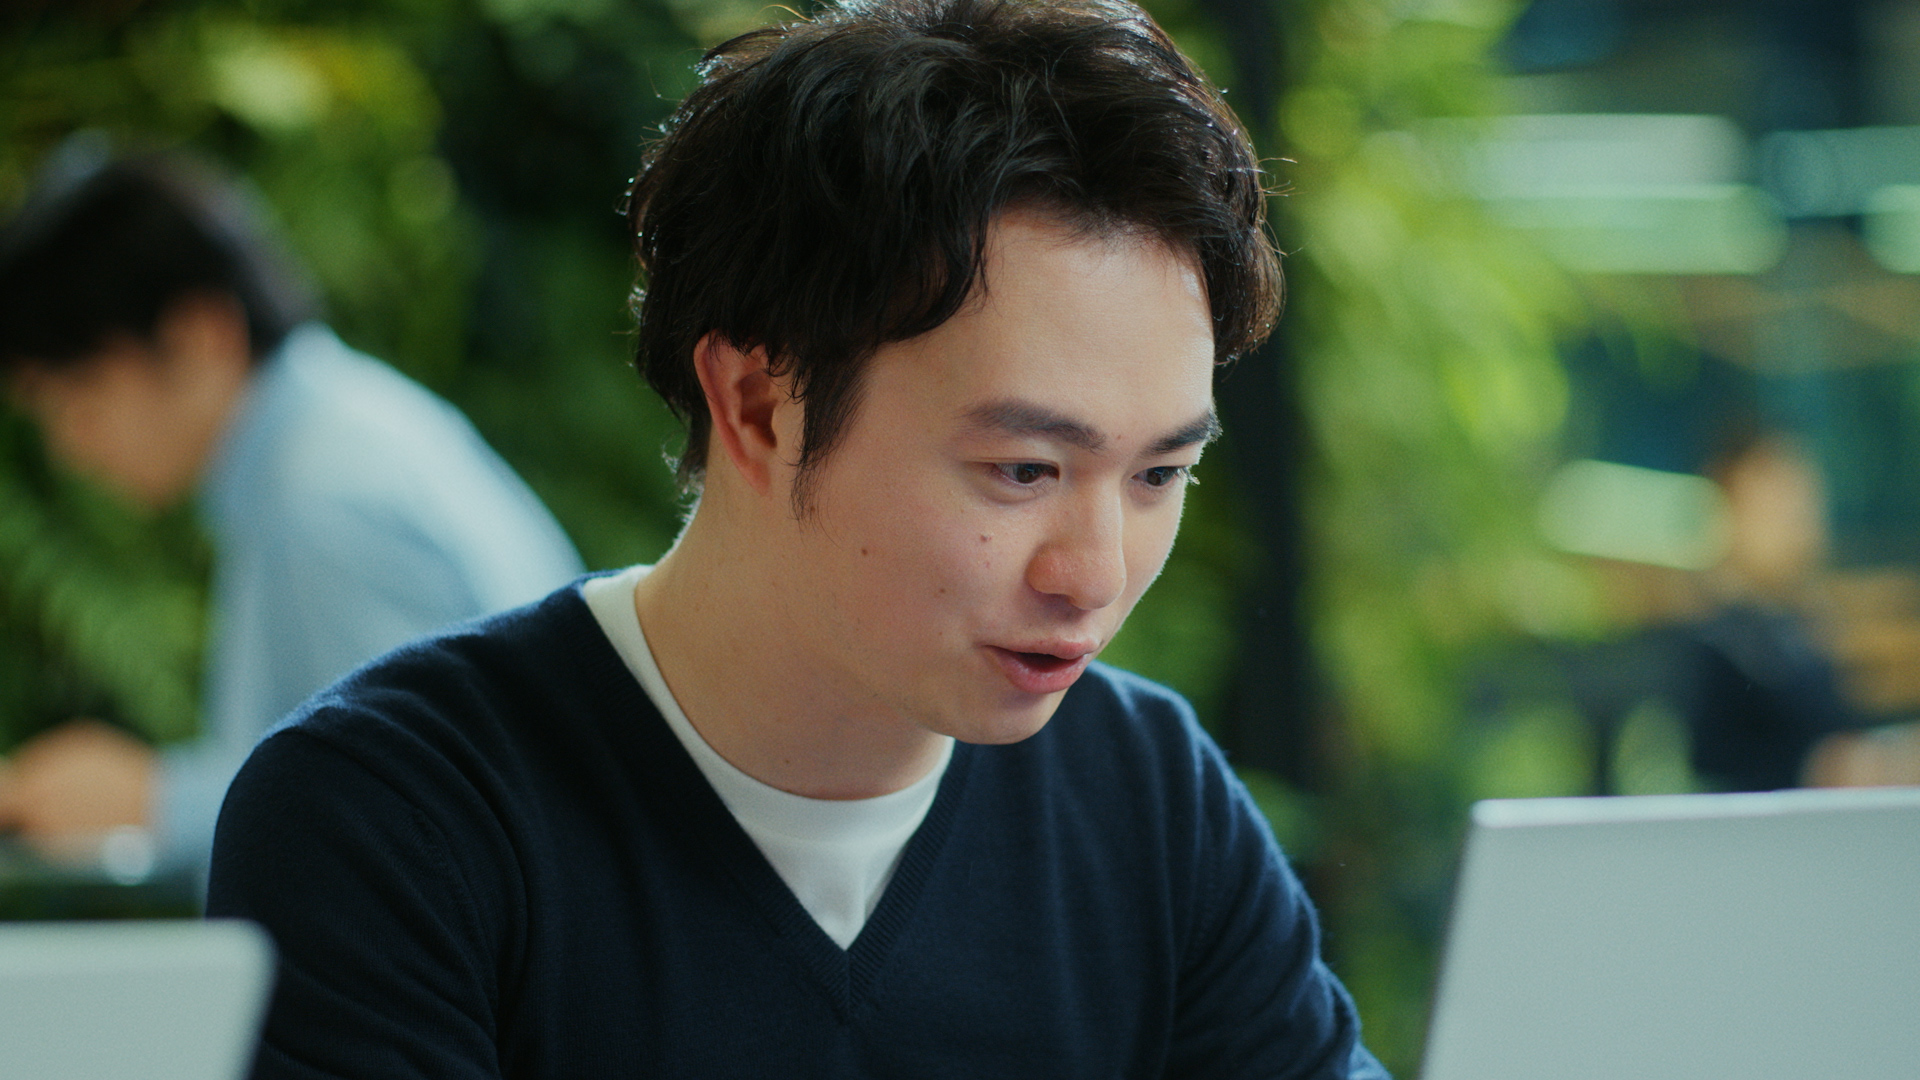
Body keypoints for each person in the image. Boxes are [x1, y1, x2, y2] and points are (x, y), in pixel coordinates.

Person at [208, 1, 1390, 1075]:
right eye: (1023, 470)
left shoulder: (1147, 797)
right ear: (759, 407)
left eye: (1159, 474)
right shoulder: (395, 819)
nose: (1095, 573)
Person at [0, 149, 584, 873]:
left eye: (77, 396)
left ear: (200, 335)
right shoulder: (339, 437)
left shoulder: (322, 505)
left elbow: (407, 808)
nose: (67, 446)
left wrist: (154, 803)